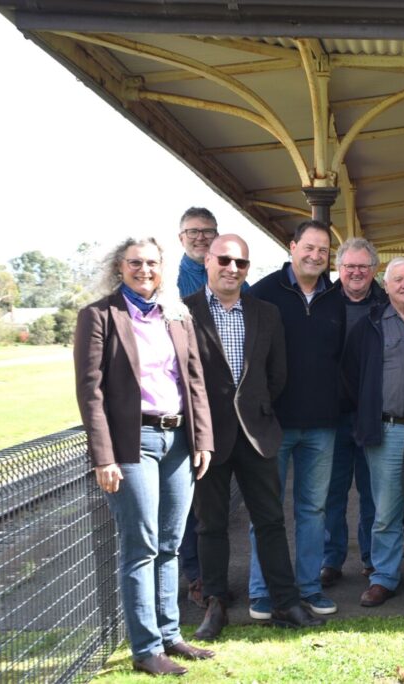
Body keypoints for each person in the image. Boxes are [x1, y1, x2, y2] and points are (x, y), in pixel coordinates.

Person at [74, 237, 215, 676]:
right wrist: (103, 456)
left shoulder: (176, 315)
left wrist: (203, 440)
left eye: (152, 263)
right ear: (120, 267)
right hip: (132, 444)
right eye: (135, 263)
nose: (145, 270)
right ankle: (145, 648)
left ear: (161, 266)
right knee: (142, 547)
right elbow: (90, 391)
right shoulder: (98, 315)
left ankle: (171, 635)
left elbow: (194, 380)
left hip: (178, 442)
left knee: (171, 545)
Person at [185, 234, 322, 639]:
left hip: (256, 433)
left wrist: (255, 408)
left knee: (270, 520)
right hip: (207, 438)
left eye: (241, 263)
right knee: (210, 525)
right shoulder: (183, 313)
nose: (232, 269)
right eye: (224, 260)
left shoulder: (265, 312)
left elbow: (276, 374)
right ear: (208, 261)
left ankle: (285, 602)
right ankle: (214, 604)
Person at [247, 219, 344, 619]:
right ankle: (263, 591)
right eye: (309, 247)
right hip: (275, 424)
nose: (316, 255)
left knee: (313, 511)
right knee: (266, 511)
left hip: (322, 425)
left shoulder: (336, 298)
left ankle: (308, 588)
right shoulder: (265, 293)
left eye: (323, 250)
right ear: (292, 247)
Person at [342, 257, 404, 607]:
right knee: (387, 511)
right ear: (387, 284)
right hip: (389, 429)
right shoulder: (371, 324)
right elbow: (352, 376)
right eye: (399, 279)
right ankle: (384, 577)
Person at [321, 237, 384, 588]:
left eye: (363, 266)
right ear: (339, 269)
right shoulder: (323, 302)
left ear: (374, 270)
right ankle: (331, 560)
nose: (356, 272)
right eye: (349, 266)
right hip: (332, 415)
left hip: (372, 414)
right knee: (332, 492)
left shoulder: (386, 304)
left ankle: (374, 560)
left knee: (374, 493)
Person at [174, 206, 219, 608]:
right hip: (185, 404)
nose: (201, 237)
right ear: (181, 237)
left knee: (211, 498)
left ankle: (212, 574)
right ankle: (196, 574)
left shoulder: (228, 274)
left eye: (208, 231)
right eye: (193, 231)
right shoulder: (171, 284)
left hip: (220, 406)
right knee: (189, 500)